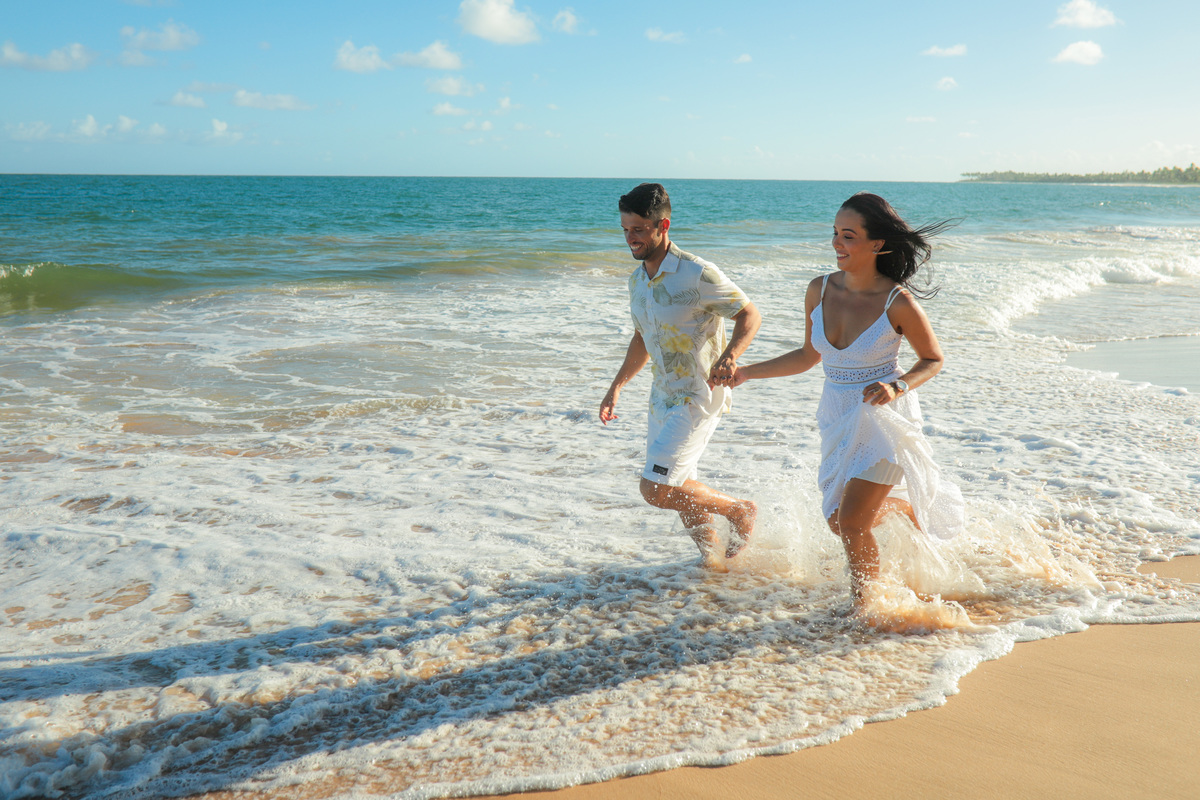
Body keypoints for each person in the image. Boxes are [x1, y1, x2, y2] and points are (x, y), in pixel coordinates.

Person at [722, 192, 965, 618]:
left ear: (877, 244)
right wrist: (746, 372)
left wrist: (898, 387)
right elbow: (808, 356)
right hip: (836, 416)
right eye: (835, 233)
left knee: (852, 523)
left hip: (884, 420)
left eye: (848, 235)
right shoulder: (819, 289)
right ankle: (908, 511)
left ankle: (865, 605)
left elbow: (933, 359)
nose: (837, 243)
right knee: (839, 521)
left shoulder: (898, 302)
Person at [600, 182, 762, 571]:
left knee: (656, 489)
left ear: (662, 225)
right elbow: (642, 337)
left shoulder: (697, 273)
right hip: (662, 397)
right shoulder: (637, 281)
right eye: (625, 230)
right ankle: (713, 564)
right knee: (680, 484)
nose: (630, 238)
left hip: (698, 395)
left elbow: (749, 314)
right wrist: (616, 387)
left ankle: (739, 510)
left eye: (638, 229)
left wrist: (730, 356)